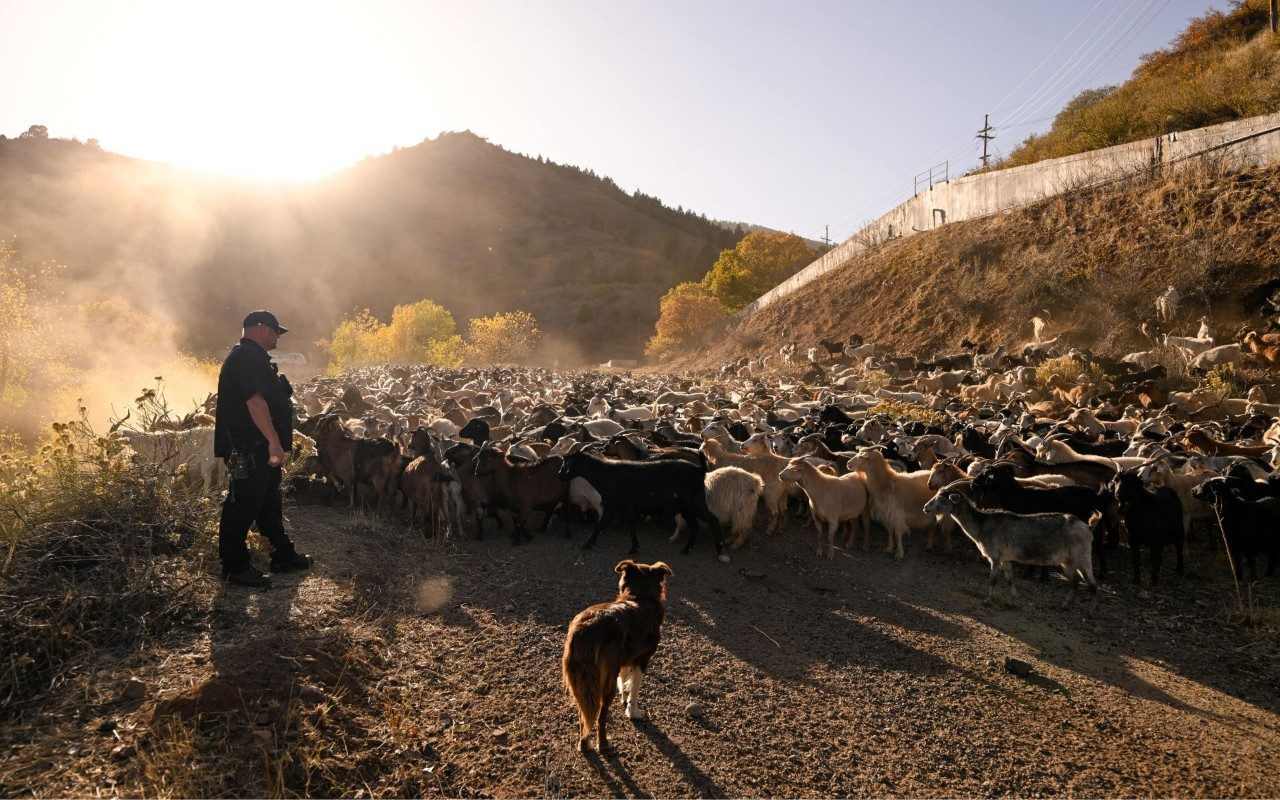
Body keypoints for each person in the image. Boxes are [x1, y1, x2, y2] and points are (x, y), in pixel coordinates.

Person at [213, 310, 312, 588]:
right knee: (242, 504)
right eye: (275, 331)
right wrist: (274, 442)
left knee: (268, 502)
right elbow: (254, 403)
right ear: (260, 329)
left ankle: (283, 555)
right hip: (251, 447)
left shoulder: (254, 358)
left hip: (259, 447)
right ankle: (234, 567)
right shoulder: (245, 358)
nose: (278, 337)